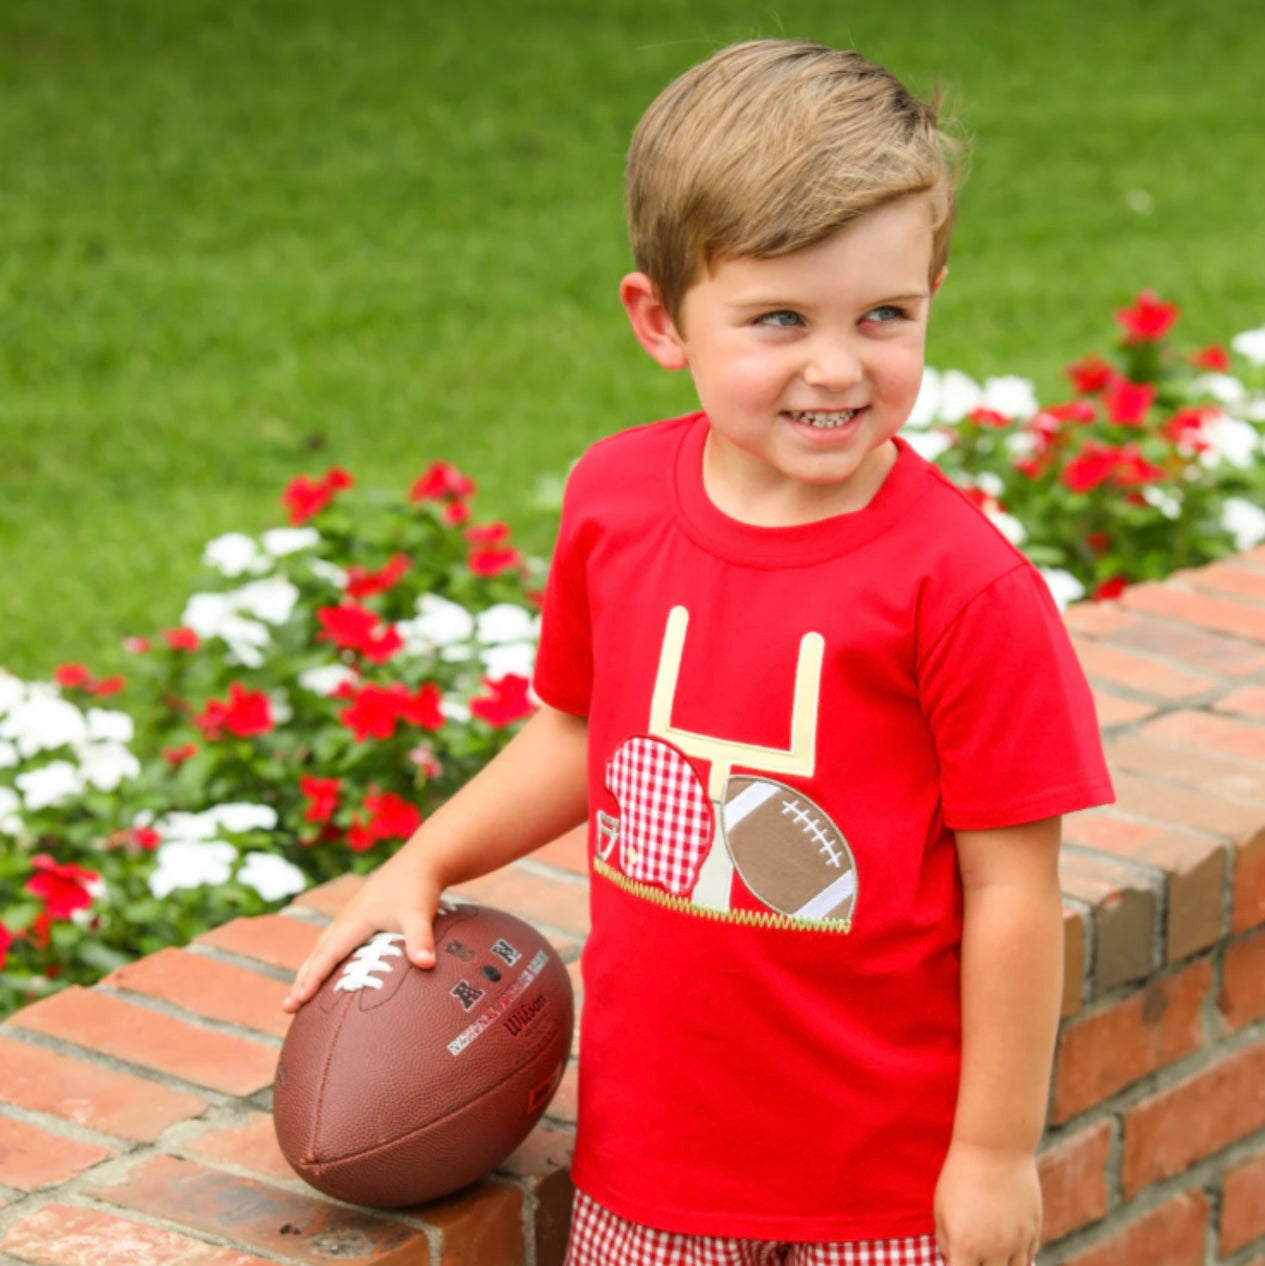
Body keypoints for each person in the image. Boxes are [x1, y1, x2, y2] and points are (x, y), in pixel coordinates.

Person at [285, 39, 1114, 1266]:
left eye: (885, 315)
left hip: (880, 1193)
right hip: (648, 1174)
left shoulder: (963, 585)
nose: (838, 366)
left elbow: (1012, 890)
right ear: (661, 319)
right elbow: (580, 731)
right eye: (779, 318)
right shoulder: (616, 503)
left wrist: (989, 1154)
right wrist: (424, 859)